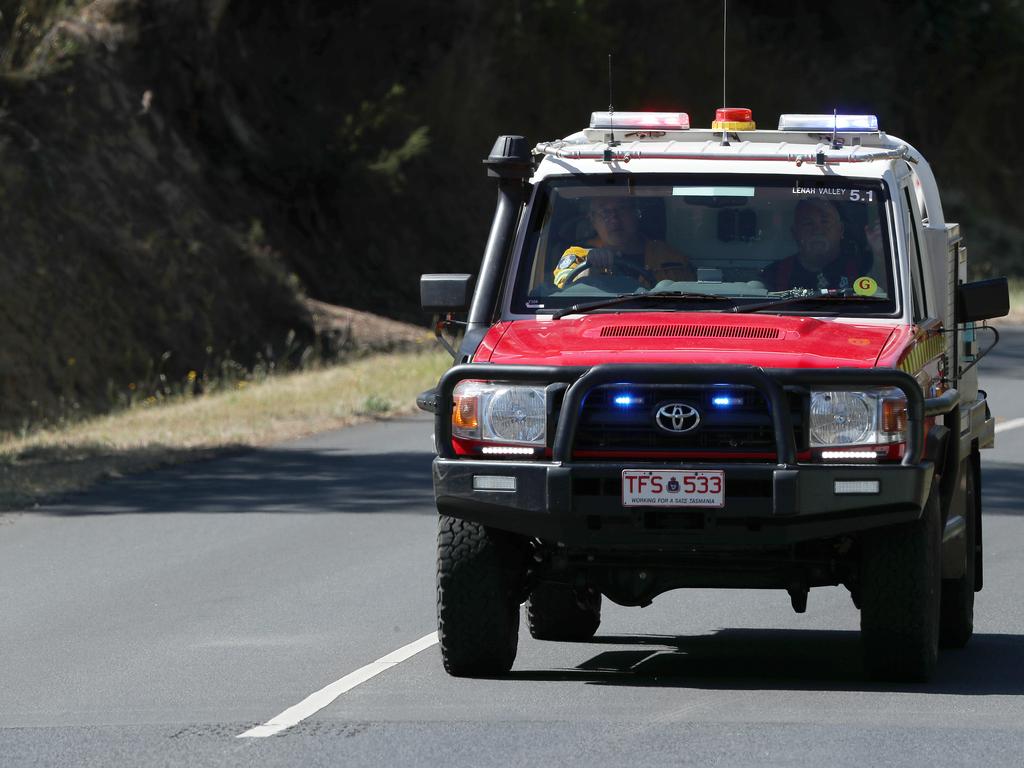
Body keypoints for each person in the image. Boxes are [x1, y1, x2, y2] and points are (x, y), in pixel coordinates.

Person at [553, 197, 694, 289]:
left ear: (636, 214)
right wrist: (588, 272)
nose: (614, 219)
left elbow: (690, 300)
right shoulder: (578, 255)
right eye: (604, 212)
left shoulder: (668, 257)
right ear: (592, 221)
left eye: (622, 209)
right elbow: (561, 287)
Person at [760, 198, 874, 292]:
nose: (818, 230)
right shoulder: (774, 274)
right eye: (808, 223)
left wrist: (879, 255)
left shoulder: (863, 268)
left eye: (825, 222)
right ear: (795, 233)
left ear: (841, 229)